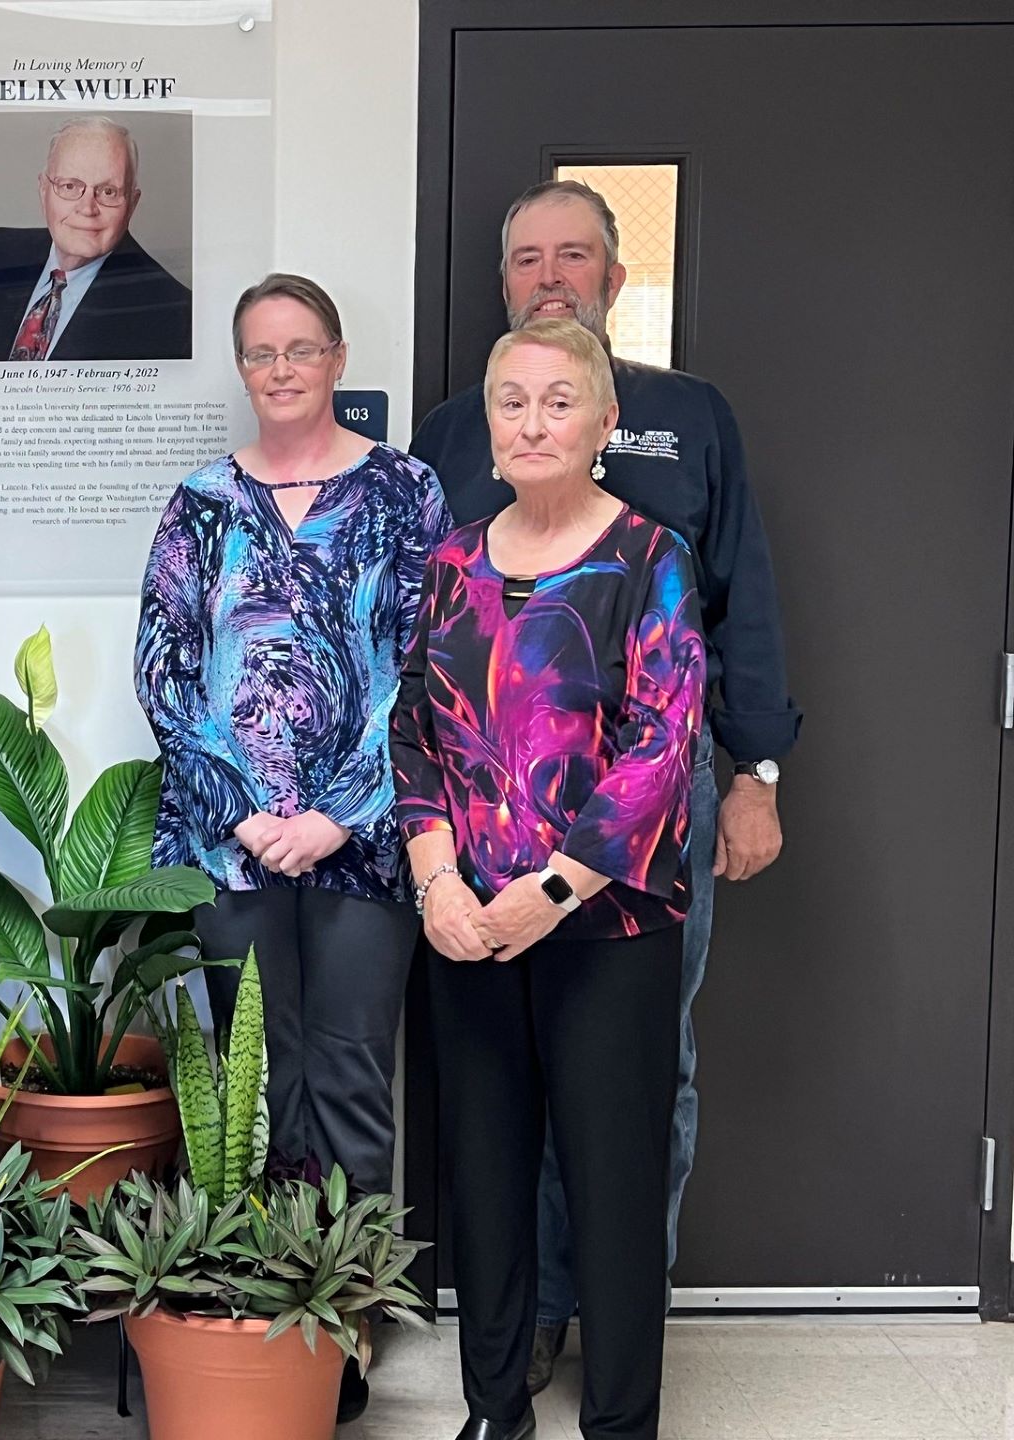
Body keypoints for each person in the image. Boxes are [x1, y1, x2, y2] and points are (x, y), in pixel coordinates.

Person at [410, 178, 799, 1390]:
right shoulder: (450, 435)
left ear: (616, 279)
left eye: (575, 253)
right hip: (478, 837)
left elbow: (744, 607)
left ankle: (617, 1309)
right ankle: (525, 1326)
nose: (551, 273)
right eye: (529, 258)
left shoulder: (687, 418)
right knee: (503, 1096)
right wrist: (435, 864)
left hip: (639, 821)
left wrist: (758, 771)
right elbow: (420, 671)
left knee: (635, 1081)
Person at [134, 273, 446, 1425]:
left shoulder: (408, 489)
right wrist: (247, 808)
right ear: (242, 364)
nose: (279, 370)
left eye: (299, 350)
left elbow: (424, 663)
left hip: (365, 845)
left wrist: (340, 811)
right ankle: (269, 1302)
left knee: (353, 1076)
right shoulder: (199, 500)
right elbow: (164, 670)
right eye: (259, 352)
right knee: (258, 1084)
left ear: (335, 355)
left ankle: (348, 1324)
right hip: (231, 844)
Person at [395, 318, 705, 1440]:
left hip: (605, 934)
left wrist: (556, 889)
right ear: (489, 422)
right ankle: (493, 1413)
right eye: (511, 402)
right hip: (469, 929)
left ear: (604, 421)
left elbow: (659, 752)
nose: (533, 422)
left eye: (558, 401)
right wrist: (439, 884)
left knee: (612, 1194)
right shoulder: (452, 563)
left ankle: (619, 1424)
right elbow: (415, 735)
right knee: (482, 1183)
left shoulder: (652, 560)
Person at [0, 115, 191, 361]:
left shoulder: (174, 314)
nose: (87, 209)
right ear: (43, 191)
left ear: (132, 204)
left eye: (108, 191)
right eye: (69, 187)